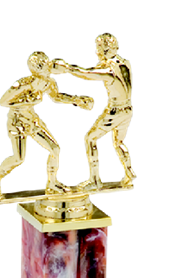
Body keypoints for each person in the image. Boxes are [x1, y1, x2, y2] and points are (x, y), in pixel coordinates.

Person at [0, 51, 93, 199]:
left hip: (32, 120)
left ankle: (52, 183)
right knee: (19, 158)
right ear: (35, 69)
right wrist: (27, 101)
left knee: (54, 149)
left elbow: (56, 97)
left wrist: (76, 100)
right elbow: (4, 102)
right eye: (43, 67)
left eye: (47, 65)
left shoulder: (48, 82)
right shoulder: (23, 83)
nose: (48, 69)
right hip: (17, 122)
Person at [53, 34, 135, 191]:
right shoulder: (125, 63)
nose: (96, 52)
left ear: (105, 50)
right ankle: (129, 172)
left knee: (90, 139)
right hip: (128, 110)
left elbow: (87, 74)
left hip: (115, 111)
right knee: (118, 142)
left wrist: (67, 68)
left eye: (99, 48)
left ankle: (95, 180)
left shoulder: (109, 71)